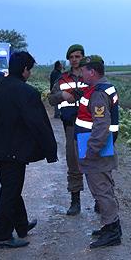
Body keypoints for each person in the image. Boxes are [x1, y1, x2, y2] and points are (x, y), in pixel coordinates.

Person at [0, 51, 58, 249]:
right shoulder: (27, 92)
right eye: (30, 70)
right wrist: (50, 150)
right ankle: (2, 236)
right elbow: (39, 123)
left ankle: (21, 224)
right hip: (15, 150)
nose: (30, 74)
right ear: (24, 69)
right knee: (10, 191)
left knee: (11, 187)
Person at [64, 54, 121, 248]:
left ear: (92, 72)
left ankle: (112, 230)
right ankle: (109, 225)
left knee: (101, 190)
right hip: (99, 147)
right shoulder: (101, 88)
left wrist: (92, 150)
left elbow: (101, 125)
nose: (81, 74)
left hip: (96, 149)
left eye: (83, 70)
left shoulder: (97, 93)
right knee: (105, 187)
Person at [47, 44, 88, 215]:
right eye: (72, 57)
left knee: (94, 163)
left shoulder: (90, 77)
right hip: (71, 127)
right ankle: (75, 201)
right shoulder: (62, 80)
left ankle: (100, 200)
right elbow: (50, 99)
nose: (75, 60)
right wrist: (62, 95)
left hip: (89, 126)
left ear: (83, 57)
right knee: (73, 163)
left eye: (78, 56)